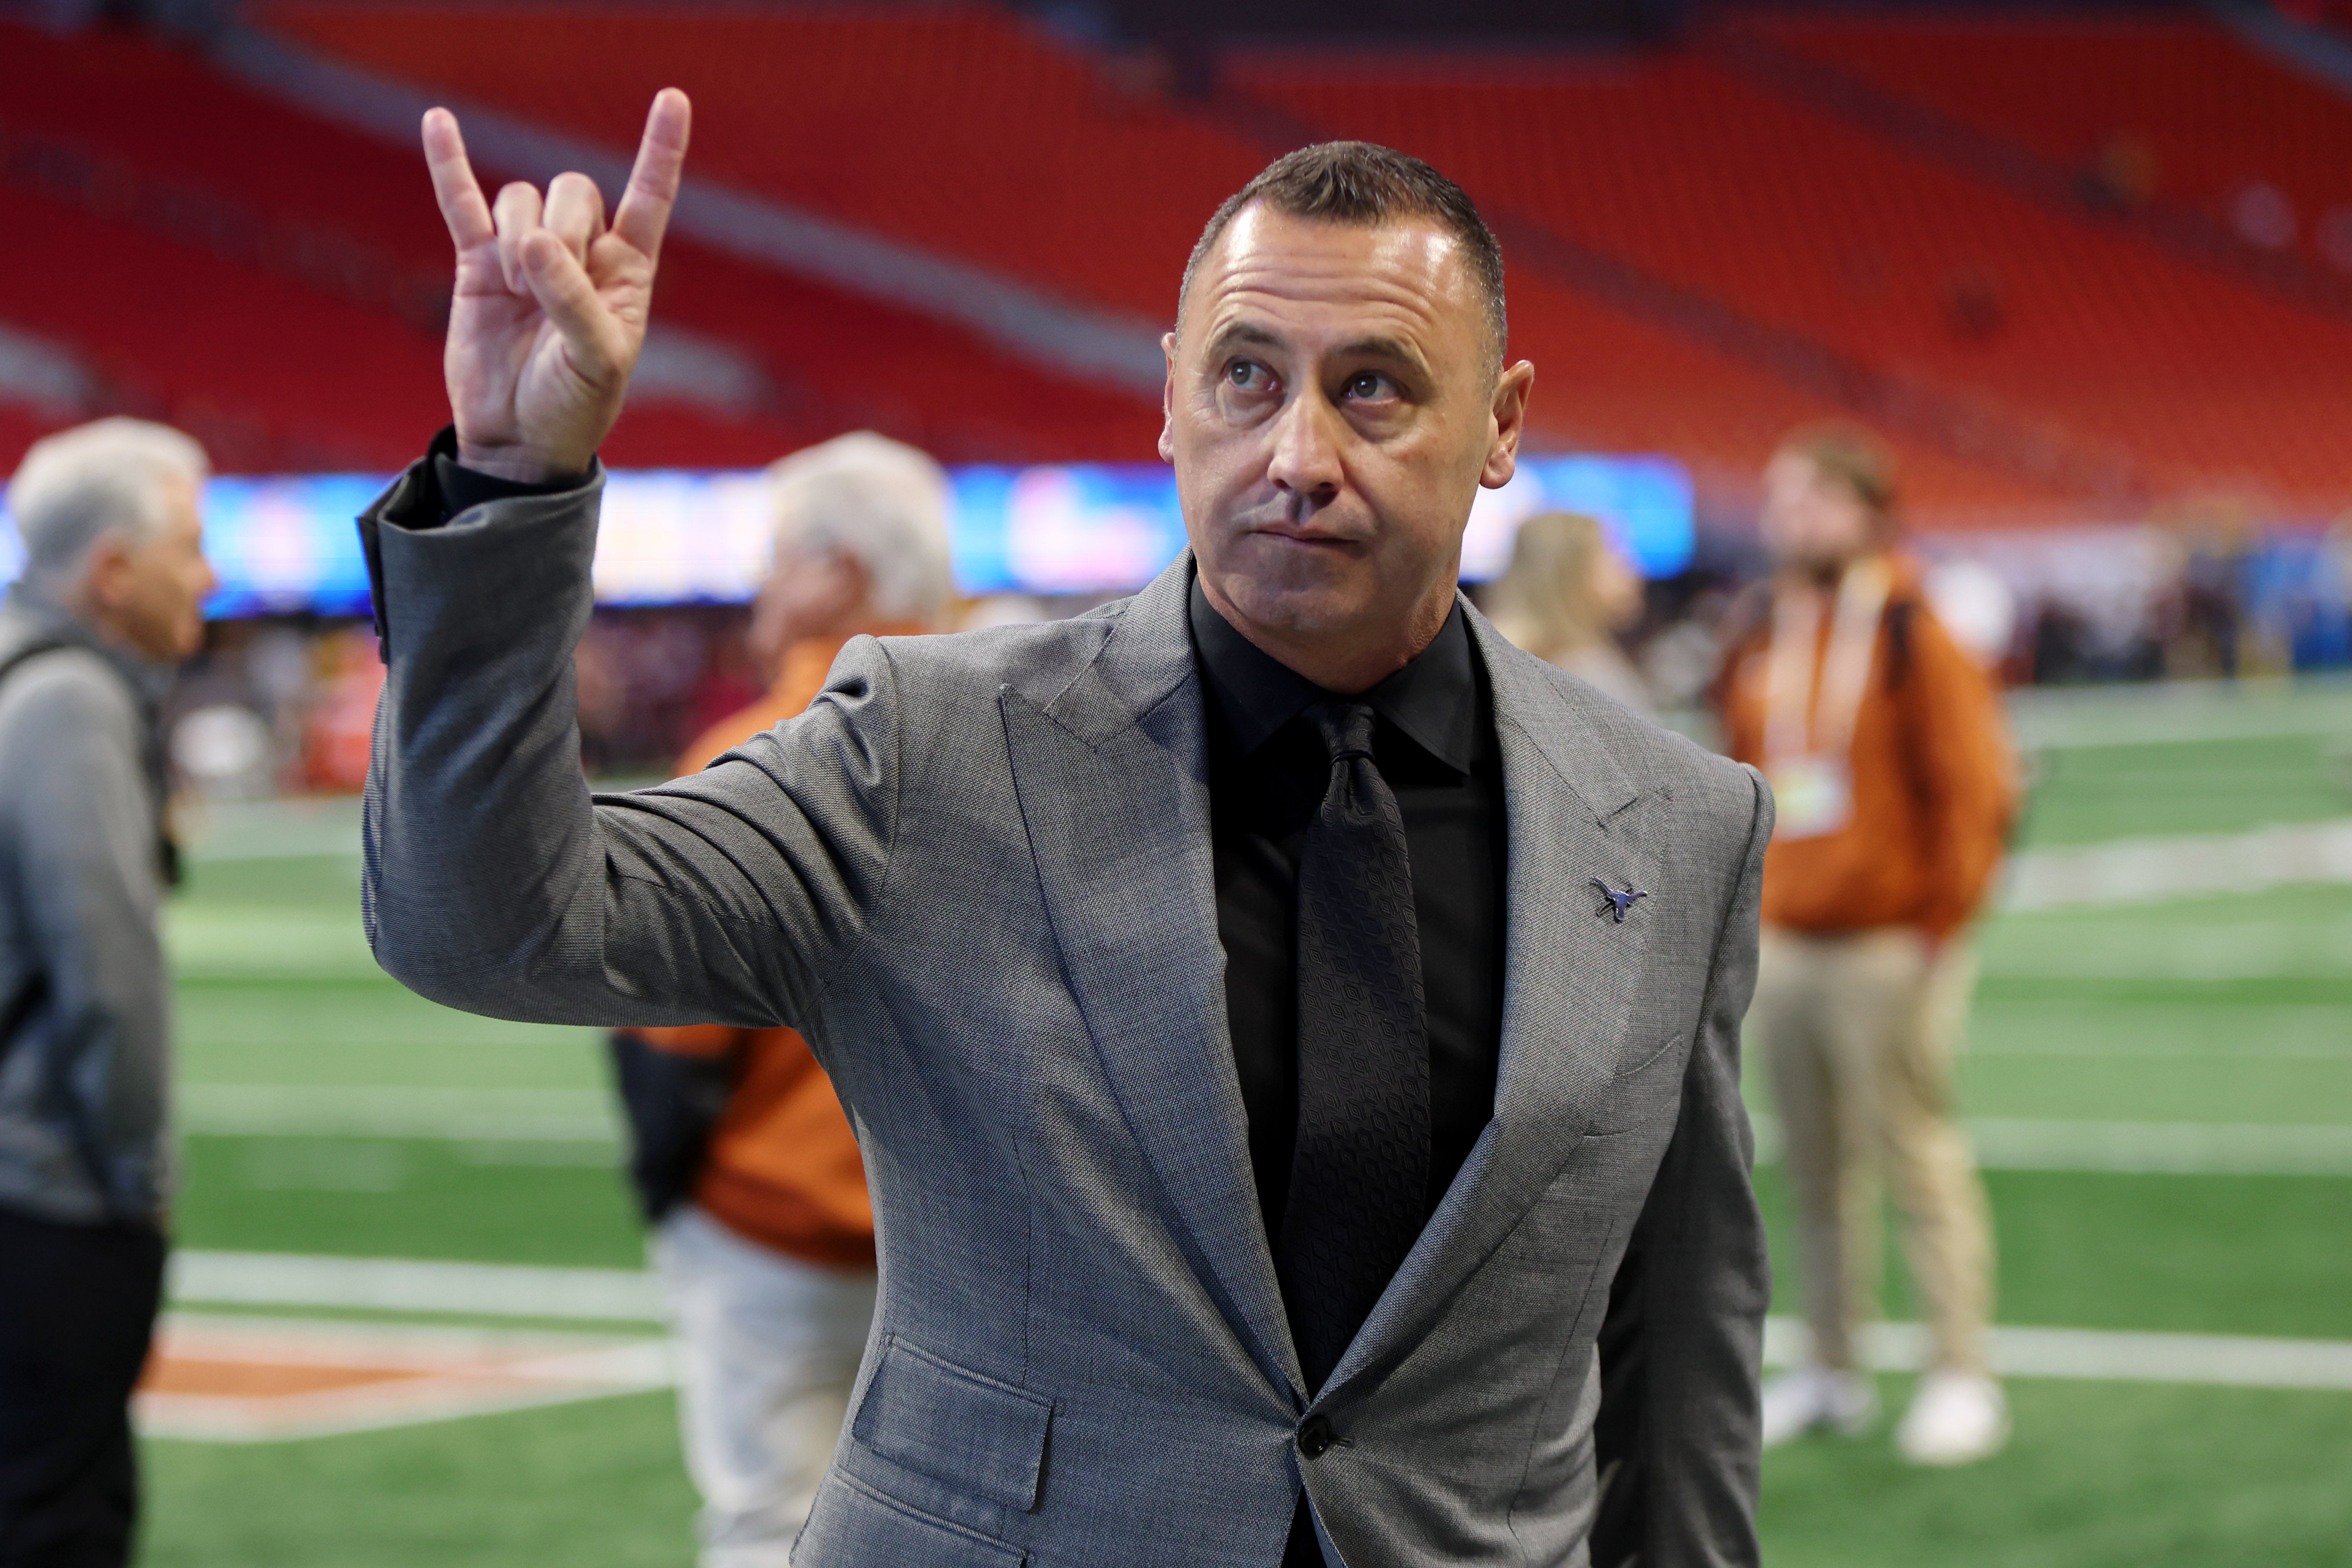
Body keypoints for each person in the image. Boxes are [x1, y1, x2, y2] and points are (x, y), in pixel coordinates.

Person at [362, 94, 1774, 1568]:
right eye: (1244, 375)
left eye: (1371, 387)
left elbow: (1676, 1351)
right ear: (1168, 398)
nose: (1294, 451)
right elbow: (490, 922)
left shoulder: (1676, 822)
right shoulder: (925, 746)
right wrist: (510, 493)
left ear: (1498, 423)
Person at [610, 432, 952, 1566]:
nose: (760, 585)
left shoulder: (764, 749)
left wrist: (668, 1181)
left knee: (773, 1525)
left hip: (784, 1221)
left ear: (835, 569)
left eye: (776, 557)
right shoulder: (1018, 735)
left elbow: (674, 1029)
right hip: (973, 1232)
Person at [1715, 424, 2016, 1466]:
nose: (1793, 518)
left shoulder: (1910, 627)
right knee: (1812, 1167)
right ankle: (1831, 1368)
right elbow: (1739, 775)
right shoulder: (1758, 627)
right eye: (1780, 499)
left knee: (1917, 1157)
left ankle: (1960, 1374)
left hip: (1891, 938)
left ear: (1868, 511)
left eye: (1816, 500)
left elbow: (1977, 787)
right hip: (1790, 938)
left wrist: (1940, 924)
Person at [0, 417, 215, 1566]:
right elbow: (107, 971)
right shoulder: (70, 702)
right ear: (112, 569)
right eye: (189, 542)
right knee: (63, 1516)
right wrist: (139, 1180)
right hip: (45, 1192)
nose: (210, 572)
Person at [1484, 510, 1653, 713]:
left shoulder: (1495, 655)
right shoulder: (1581, 674)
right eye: (1615, 555)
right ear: (1569, 572)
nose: (1635, 572)